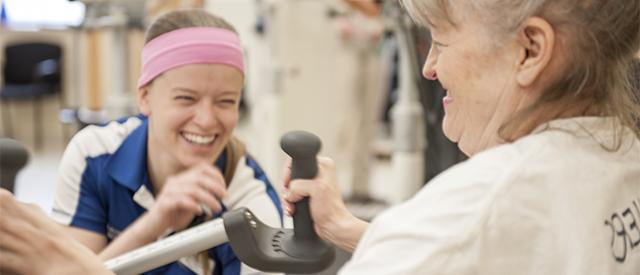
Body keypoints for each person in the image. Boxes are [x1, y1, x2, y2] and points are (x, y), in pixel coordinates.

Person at [1, 0, 640, 274]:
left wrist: (72, 268)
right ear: (144, 99)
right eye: (185, 98)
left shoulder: (468, 213)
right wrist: (358, 232)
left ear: (530, 50)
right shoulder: (621, 155)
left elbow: (463, 241)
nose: (427, 67)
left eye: (439, 41)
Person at [51, 9, 282, 275]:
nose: (207, 120)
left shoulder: (251, 204)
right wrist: (154, 224)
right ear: (145, 97)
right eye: (186, 98)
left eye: (225, 101)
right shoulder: (92, 155)